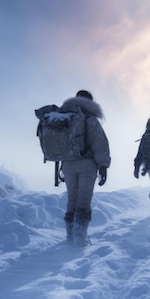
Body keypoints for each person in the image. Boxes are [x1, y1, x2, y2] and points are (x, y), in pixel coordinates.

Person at [60, 89, 111, 246]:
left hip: (68, 164)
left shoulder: (65, 117)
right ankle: (80, 238)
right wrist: (103, 165)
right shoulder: (90, 118)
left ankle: (70, 237)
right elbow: (99, 143)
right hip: (86, 164)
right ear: (91, 102)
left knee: (72, 201)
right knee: (83, 201)